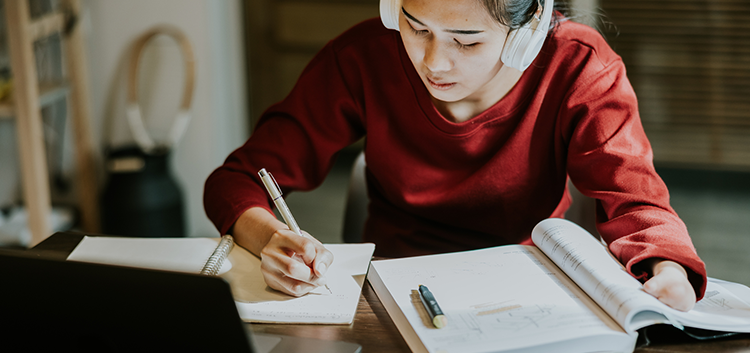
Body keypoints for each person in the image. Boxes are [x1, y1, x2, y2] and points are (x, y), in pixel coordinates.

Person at [203, 0, 706, 311]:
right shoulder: (364, 56)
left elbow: (635, 201)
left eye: (466, 41)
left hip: (525, 295)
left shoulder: (579, 67)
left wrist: (667, 271)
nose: (433, 62)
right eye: (416, 27)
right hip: (388, 298)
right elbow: (239, 178)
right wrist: (273, 239)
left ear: (527, 32)